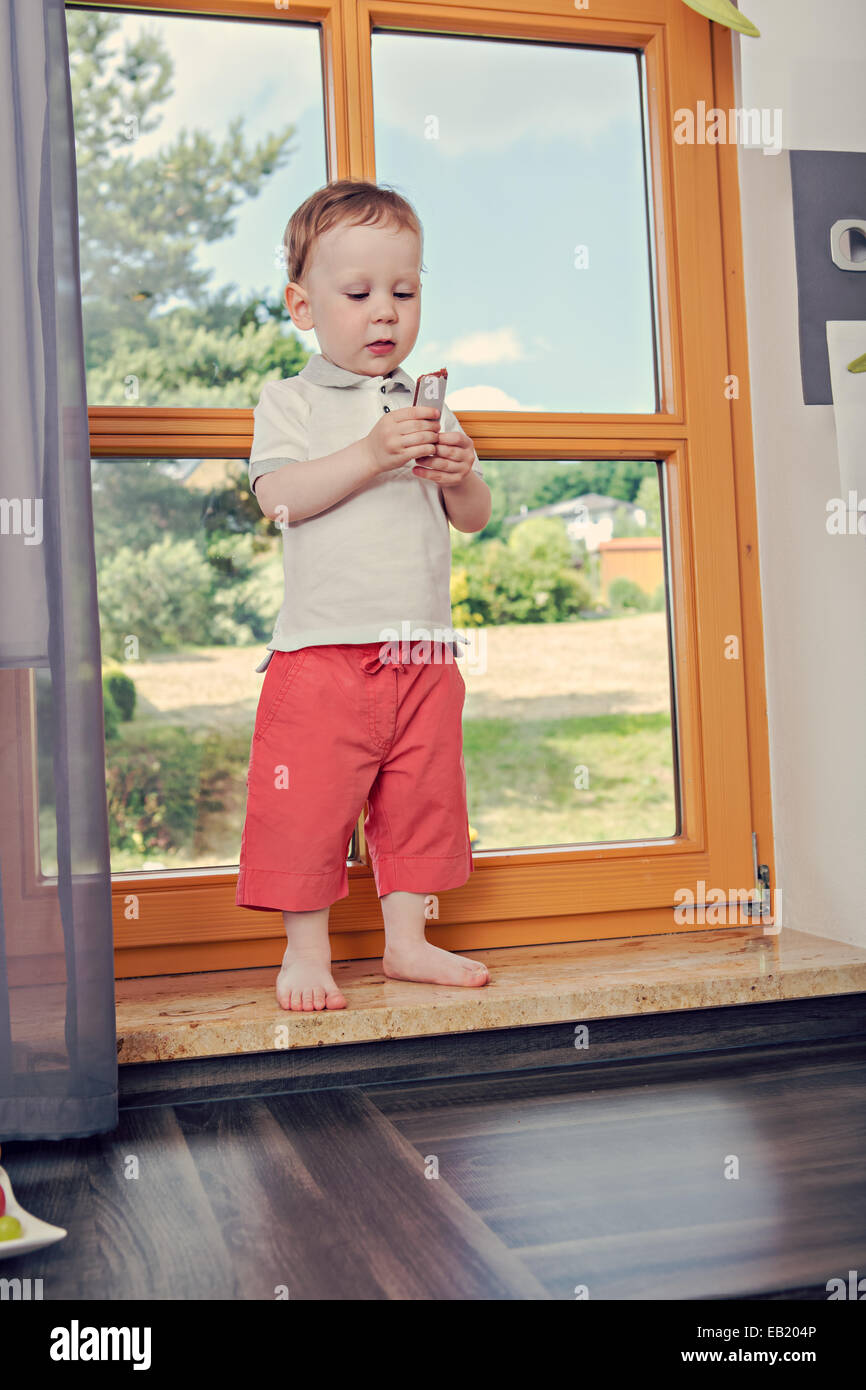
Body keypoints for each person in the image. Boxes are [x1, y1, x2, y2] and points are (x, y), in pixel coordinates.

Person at [236, 179, 492, 1012]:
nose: (385, 312)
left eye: (404, 291)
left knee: (423, 799)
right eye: (358, 293)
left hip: (423, 650)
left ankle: (408, 942)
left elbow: (473, 520)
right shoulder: (292, 401)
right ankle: (306, 951)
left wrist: (461, 475)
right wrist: (372, 454)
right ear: (302, 306)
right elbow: (280, 497)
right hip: (320, 651)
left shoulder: (429, 408)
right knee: (306, 803)